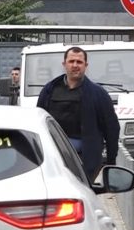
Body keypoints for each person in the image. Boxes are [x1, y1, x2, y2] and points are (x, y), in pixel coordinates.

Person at [37, 47, 120, 180]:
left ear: (86, 65)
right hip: (53, 158)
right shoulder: (49, 90)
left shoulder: (98, 94)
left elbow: (111, 129)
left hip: (85, 161)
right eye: (71, 61)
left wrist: (111, 161)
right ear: (64, 64)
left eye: (79, 62)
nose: (75, 65)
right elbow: (39, 122)